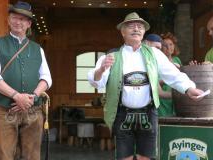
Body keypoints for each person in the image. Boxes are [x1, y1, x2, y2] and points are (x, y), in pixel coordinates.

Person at [87, 12, 204, 160]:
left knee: (146, 157)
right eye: (131, 26)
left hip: (148, 113)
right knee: (125, 157)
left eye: (140, 26)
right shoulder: (112, 56)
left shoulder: (154, 53)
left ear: (143, 32)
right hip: (122, 113)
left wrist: (189, 88)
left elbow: (172, 74)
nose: (136, 29)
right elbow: (96, 81)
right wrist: (101, 69)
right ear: (123, 32)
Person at [0, 1, 52, 160]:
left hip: (33, 111)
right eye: (14, 17)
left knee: (32, 156)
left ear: (28, 24)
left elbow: (46, 78)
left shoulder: (37, 49)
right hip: (5, 110)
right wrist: (17, 96)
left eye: (22, 19)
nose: (17, 22)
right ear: (8, 20)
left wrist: (33, 96)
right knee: (4, 156)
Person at [157, 32, 183, 117]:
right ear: (160, 47)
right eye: (165, 45)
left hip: (176, 99)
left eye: (171, 44)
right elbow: (155, 82)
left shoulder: (177, 60)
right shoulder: (158, 61)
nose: (168, 47)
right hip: (162, 99)